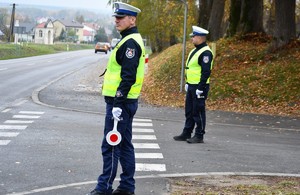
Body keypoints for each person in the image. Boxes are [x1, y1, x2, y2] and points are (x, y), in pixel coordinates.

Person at [88, 2, 145, 195]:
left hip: (120, 103)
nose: (116, 21)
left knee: (111, 145)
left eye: (121, 18)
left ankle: (103, 188)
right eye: (116, 17)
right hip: (124, 101)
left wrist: (118, 103)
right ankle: (127, 186)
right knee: (124, 144)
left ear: (132, 19)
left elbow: (128, 76)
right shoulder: (129, 39)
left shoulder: (130, 43)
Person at [173, 25, 214, 144]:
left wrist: (200, 88)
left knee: (198, 111)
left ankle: (199, 135)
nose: (192, 39)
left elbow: (206, 72)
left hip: (199, 87)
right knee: (189, 111)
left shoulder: (206, 52)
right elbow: (191, 68)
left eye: (194, 36)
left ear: (200, 37)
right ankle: (187, 132)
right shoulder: (195, 50)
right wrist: (187, 82)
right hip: (192, 85)